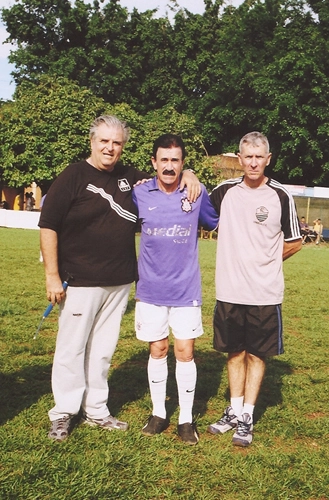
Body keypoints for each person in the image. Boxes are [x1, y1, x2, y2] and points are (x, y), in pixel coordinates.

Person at [38, 115, 200, 441]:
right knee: (72, 348)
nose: (110, 148)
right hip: (79, 280)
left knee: (102, 349)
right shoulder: (73, 175)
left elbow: (168, 171)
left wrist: (191, 173)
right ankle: (64, 412)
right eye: (104, 141)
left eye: (117, 143)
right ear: (92, 141)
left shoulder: (130, 177)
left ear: (122, 146)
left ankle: (97, 410)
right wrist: (52, 276)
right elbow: (48, 225)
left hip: (119, 281)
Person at [208, 131, 302, 447]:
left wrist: (265, 260)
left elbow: (295, 241)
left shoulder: (280, 195)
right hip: (229, 290)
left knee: (257, 354)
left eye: (259, 156)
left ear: (268, 159)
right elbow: (194, 206)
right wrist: (191, 174)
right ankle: (233, 411)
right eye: (247, 156)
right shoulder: (224, 192)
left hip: (264, 291)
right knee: (234, 352)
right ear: (239, 158)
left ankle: (247, 416)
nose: (253, 162)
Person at [132, 134, 219, 445]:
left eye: (175, 160)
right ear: (154, 162)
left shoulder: (196, 192)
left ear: (183, 163)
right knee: (157, 350)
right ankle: (158, 413)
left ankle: (185, 418)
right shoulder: (139, 192)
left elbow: (217, 224)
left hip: (185, 290)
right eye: (163, 160)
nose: (169, 166)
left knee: (185, 352)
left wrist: (195, 177)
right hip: (150, 289)